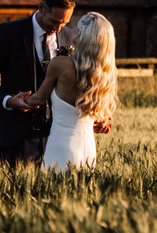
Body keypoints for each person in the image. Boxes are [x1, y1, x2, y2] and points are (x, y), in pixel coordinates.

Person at [0, 0, 79, 165]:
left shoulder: (70, 37)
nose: (58, 27)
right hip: (17, 133)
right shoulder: (10, 32)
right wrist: (8, 100)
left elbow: (79, 82)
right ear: (40, 8)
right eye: (54, 21)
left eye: (64, 23)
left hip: (59, 133)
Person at [25, 11, 117, 171]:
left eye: (76, 27)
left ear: (81, 34)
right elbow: (100, 117)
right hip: (88, 148)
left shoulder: (60, 65)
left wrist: (13, 99)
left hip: (61, 146)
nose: (71, 29)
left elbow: (38, 99)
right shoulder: (105, 73)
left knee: (52, 193)